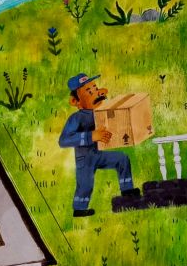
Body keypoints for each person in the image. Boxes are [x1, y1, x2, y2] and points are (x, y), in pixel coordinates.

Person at [58, 73, 140, 217]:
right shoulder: (76, 118)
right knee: (86, 184)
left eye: (95, 89)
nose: (95, 93)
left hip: (100, 153)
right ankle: (80, 209)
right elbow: (63, 140)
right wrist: (91, 136)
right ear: (75, 101)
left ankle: (127, 190)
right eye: (89, 92)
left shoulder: (101, 111)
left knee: (122, 159)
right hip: (85, 158)